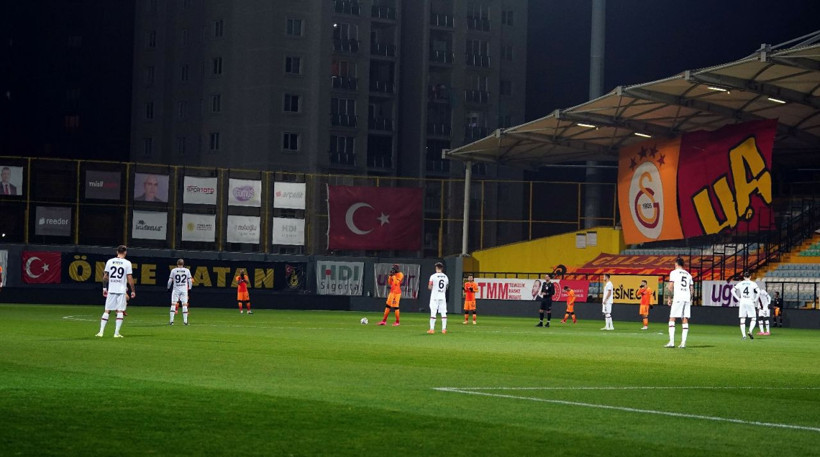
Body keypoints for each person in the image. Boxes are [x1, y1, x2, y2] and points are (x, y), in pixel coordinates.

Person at [96, 245, 135, 338]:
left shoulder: (110, 261)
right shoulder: (127, 263)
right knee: (120, 311)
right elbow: (129, 277)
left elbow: (105, 276)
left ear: (117, 252)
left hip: (111, 289)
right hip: (121, 290)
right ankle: (116, 333)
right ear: (125, 252)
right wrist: (133, 290)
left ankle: (101, 332)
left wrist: (104, 288)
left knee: (107, 311)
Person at [665, 258, 693, 348]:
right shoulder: (688, 274)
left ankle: (672, 342)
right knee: (685, 319)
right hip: (686, 298)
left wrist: (669, 298)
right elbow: (692, 289)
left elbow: (670, 286)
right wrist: (690, 298)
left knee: (672, 318)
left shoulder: (674, 273)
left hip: (678, 297)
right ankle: (683, 343)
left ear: (676, 264)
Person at [731, 271, 760, 340]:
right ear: (750, 277)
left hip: (743, 301)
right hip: (750, 301)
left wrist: (738, 298)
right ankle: (750, 331)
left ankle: (744, 336)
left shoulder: (740, 283)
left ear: (743, 277)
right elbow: (758, 291)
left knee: (742, 319)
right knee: (753, 318)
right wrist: (755, 299)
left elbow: (732, 290)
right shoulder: (753, 283)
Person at [168, 259, 192, 325]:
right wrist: (190, 288)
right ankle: (185, 322)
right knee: (184, 305)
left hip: (176, 289)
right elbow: (190, 281)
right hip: (184, 290)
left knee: (173, 304)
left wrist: (168, 287)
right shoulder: (187, 270)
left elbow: (170, 281)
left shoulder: (174, 270)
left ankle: (171, 321)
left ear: (177, 263)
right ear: (183, 263)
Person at [428, 262, 450, 334]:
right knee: (443, 313)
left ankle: (432, 329)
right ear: (442, 268)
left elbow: (430, 286)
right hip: (442, 296)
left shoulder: (433, 276)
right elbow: (446, 287)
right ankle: (444, 329)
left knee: (433, 313)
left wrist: (432, 287)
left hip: (434, 296)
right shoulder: (446, 277)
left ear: (436, 268)